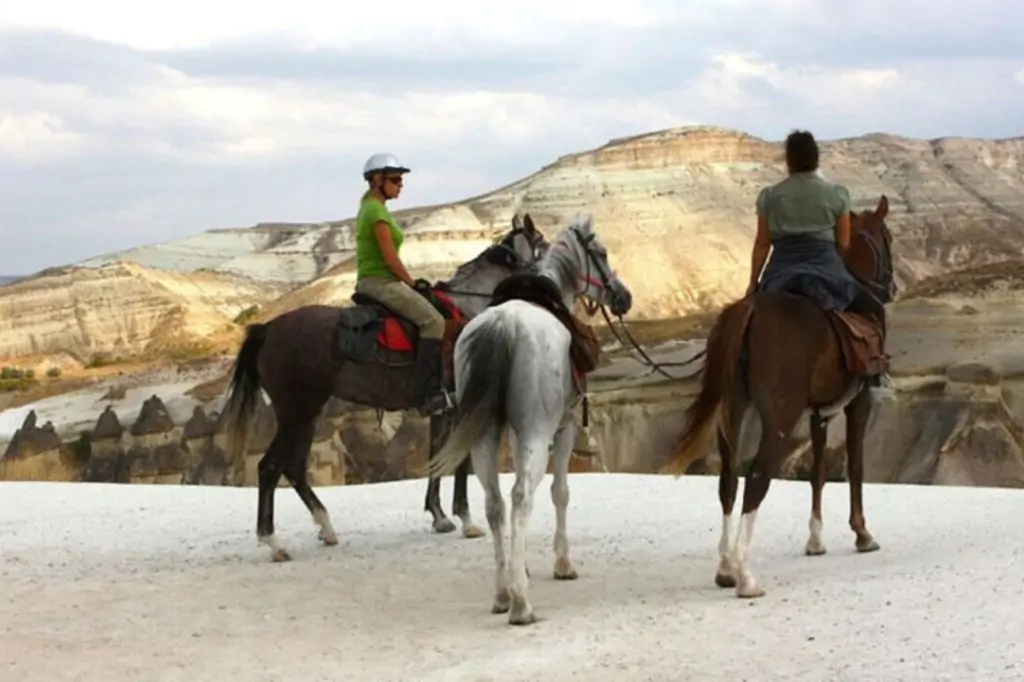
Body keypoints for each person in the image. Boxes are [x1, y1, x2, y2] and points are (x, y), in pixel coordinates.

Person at [746, 130, 895, 401]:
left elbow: (761, 244)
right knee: (873, 309)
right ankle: (874, 378)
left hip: (780, 273)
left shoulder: (769, 196)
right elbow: (843, 243)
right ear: (816, 159)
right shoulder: (836, 194)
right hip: (826, 270)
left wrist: (753, 283)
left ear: (788, 160)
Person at [354, 152, 451, 414]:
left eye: (400, 180)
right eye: (395, 180)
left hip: (376, 280)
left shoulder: (371, 207)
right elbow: (390, 259)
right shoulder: (376, 212)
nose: (400, 185)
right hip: (380, 282)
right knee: (434, 322)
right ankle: (427, 395)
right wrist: (411, 283)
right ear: (377, 180)